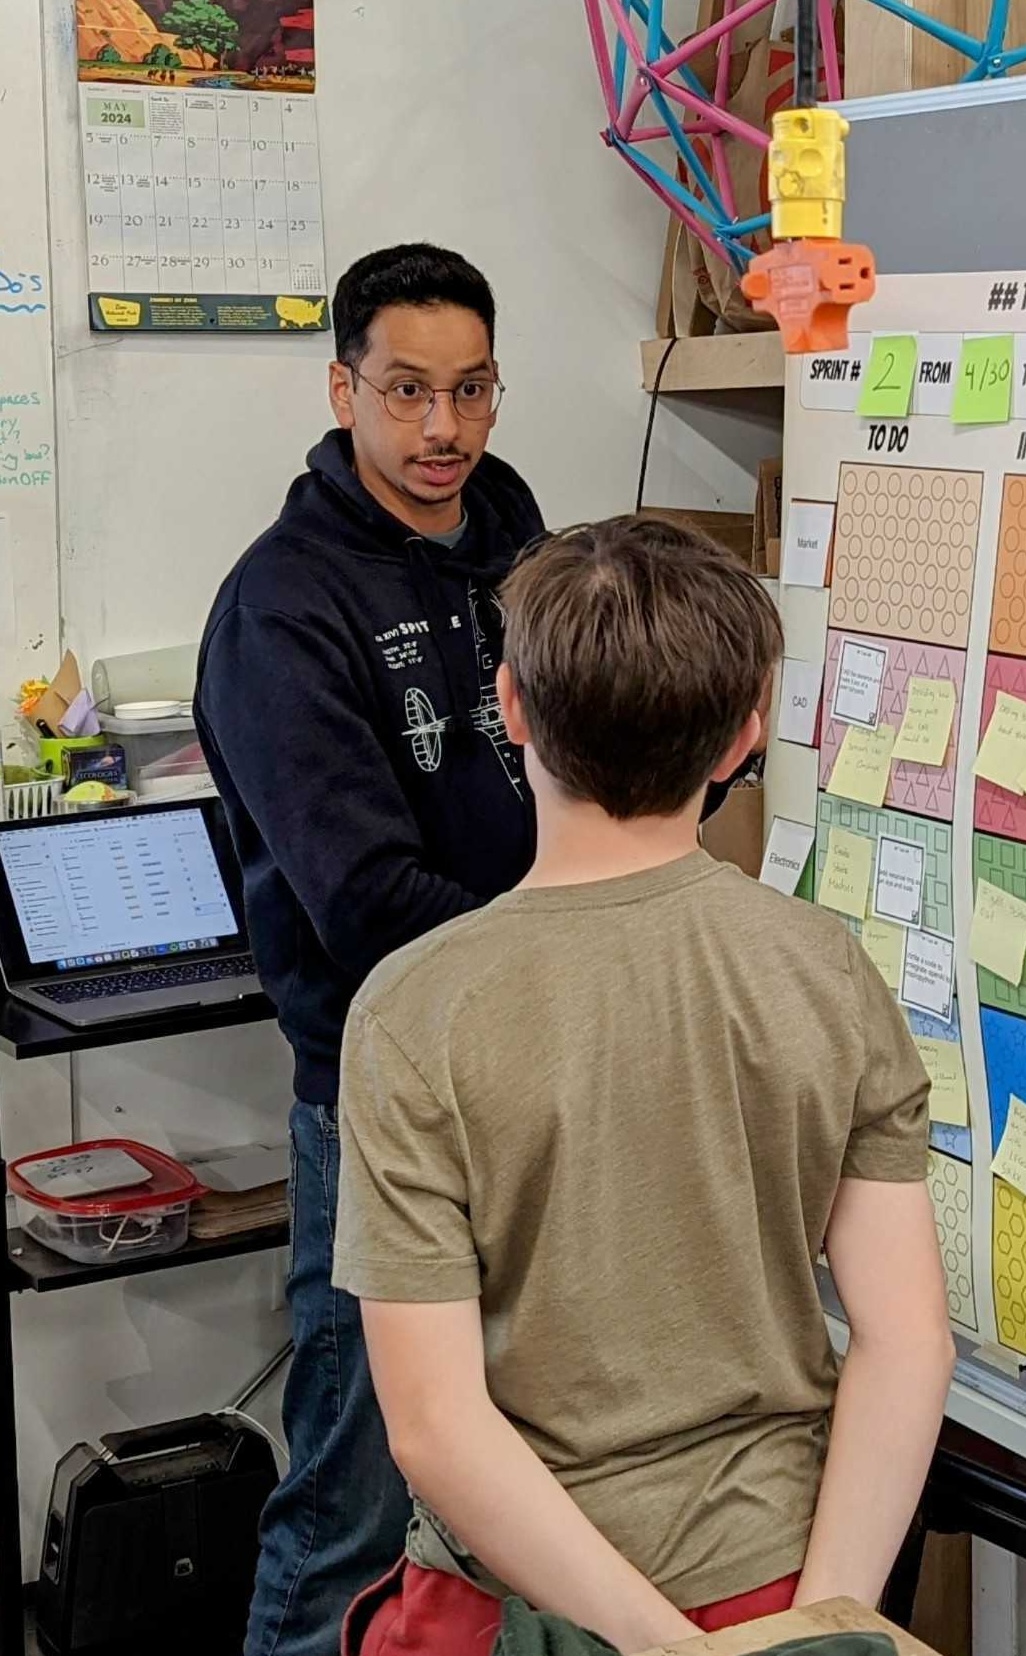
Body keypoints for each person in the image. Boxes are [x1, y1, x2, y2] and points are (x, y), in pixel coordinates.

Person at [332, 516, 958, 1655]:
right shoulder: (824, 967)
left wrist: (662, 1649)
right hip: (785, 1581)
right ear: (743, 737)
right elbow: (906, 1337)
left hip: (527, 1606)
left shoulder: (412, 1011)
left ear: (510, 707)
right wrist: (824, 1621)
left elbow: (431, 1425)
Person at [196, 243, 546, 1656]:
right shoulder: (281, 606)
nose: (440, 431)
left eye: (469, 391)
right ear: (342, 389)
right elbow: (365, 896)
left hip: (540, 1078)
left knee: (511, 1481)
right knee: (352, 1495)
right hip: (385, 1106)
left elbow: (601, 771)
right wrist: (579, 945)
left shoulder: (526, 552)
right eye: (404, 392)